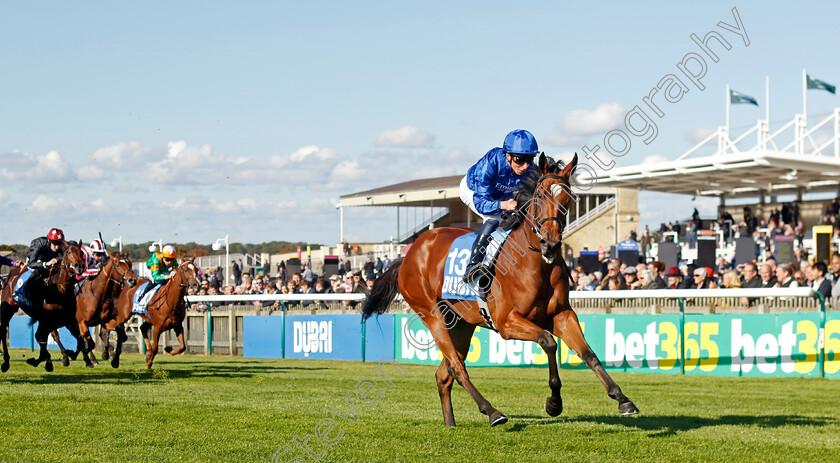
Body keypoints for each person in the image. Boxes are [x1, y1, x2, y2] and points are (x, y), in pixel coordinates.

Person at [459, 129, 539, 283]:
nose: (525, 166)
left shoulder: (529, 169)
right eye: (519, 160)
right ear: (507, 155)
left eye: (530, 159)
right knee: (493, 218)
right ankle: (473, 265)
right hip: (474, 191)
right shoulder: (491, 163)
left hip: (502, 196)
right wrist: (503, 205)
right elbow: (481, 203)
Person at [16, 228, 67, 305]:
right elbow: (31, 264)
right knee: (37, 271)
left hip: (49, 259)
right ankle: (25, 291)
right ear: (49, 241)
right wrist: (46, 264)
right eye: (54, 244)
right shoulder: (38, 243)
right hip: (36, 260)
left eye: (58, 244)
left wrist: (57, 259)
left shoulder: (61, 246)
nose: (57, 247)